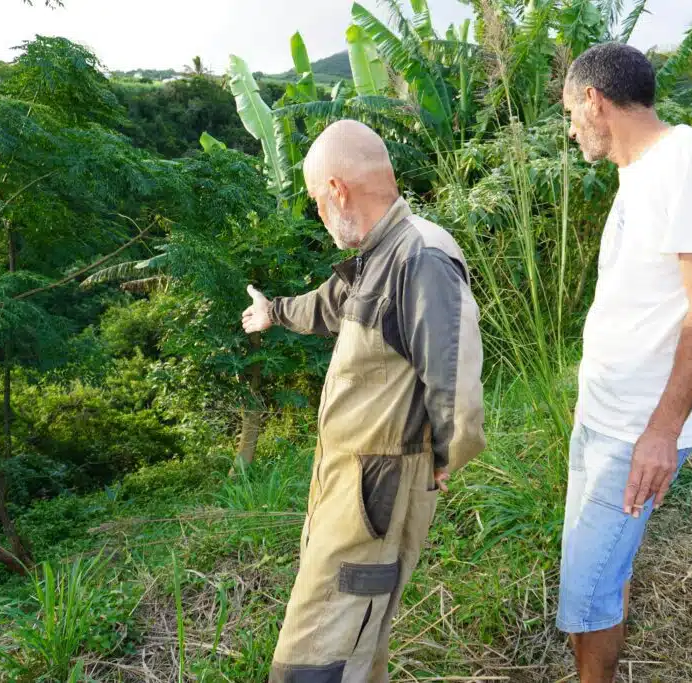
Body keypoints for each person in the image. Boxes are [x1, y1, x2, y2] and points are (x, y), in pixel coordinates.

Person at [241, 119, 486, 682]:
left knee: (320, 649)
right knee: (354, 635)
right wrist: (272, 311)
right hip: (352, 481)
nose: (319, 216)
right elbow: (327, 305)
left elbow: (454, 380)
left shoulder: (418, 255)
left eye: (315, 202)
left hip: (378, 487)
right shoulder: (378, 254)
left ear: (337, 190)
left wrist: (449, 456)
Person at [559, 43, 692, 682]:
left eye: (570, 114)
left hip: (639, 428)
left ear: (595, 101)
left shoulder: (691, 157)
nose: (571, 130)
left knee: (584, 593)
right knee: (607, 570)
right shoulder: (636, 175)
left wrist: (662, 432)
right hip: (602, 417)